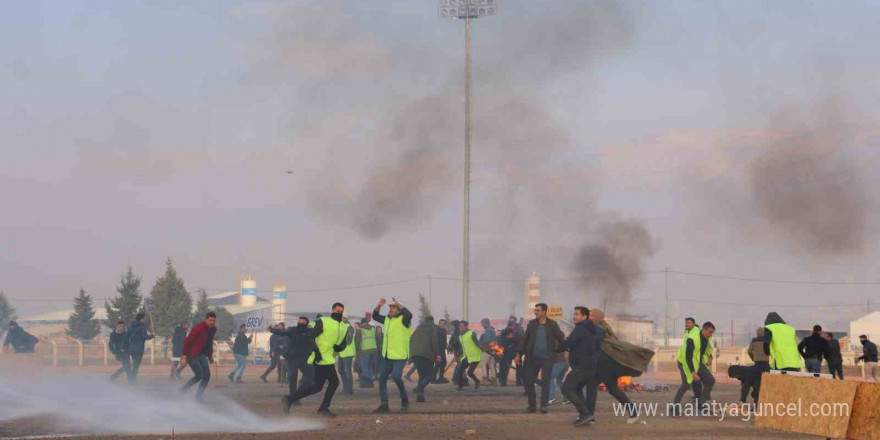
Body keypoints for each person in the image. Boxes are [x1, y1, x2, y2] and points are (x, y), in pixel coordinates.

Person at [282, 303, 348, 417]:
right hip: (320, 359)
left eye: (341, 311)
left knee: (317, 387)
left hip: (328, 359)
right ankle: (322, 408)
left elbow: (343, 342)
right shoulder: (323, 321)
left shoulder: (343, 326)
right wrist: (317, 352)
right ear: (332, 310)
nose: (339, 313)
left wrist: (341, 347)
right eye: (337, 311)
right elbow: (310, 336)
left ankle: (290, 399)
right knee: (333, 382)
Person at [591, 308, 653, 424]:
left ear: (595, 318)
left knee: (592, 386)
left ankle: (588, 416)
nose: (587, 316)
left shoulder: (598, 329)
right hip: (605, 364)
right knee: (612, 389)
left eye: (590, 315)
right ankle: (633, 411)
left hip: (605, 364)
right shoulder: (600, 327)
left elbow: (594, 341)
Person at [516, 303, 565, 414]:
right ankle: (532, 406)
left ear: (544, 312)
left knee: (546, 381)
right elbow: (525, 339)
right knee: (528, 380)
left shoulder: (552, 324)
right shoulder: (532, 324)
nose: (536, 312)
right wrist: (518, 353)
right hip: (533, 358)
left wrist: (560, 349)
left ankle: (543, 406)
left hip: (547, 358)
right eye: (535, 310)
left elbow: (560, 338)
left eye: (538, 310)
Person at [559, 306, 600, 427]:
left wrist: (555, 347)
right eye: (574, 314)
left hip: (582, 365)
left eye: (577, 314)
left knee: (566, 388)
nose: (574, 316)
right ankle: (585, 416)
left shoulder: (581, 329)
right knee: (576, 389)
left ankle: (586, 414)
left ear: (584, 316)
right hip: (590, 365)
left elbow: (569, 343)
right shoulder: (591, 329)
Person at [373, 297, 413, 413]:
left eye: (393, 307)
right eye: (390, 307)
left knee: (396, 377)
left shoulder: (404, 320)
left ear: (399, 310)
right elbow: (375, 316)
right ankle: (384, 404)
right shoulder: (387, 319)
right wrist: (379, 305)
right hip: (388, 355)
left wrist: (399, 304)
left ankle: (404, 399)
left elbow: (409, 315)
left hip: (400, 356)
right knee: (382, 378)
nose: (390, 309)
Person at [271, 316, 315, 407]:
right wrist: (272, 330)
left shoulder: (309, 332)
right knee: (292, 379)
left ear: (306, 324)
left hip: (303, 359)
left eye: (302, 323)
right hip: (291, 358)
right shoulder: (293, 330)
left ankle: (296, 395)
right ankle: (293, 399)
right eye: (299, 322)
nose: (300, 324)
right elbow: (282, 332)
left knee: (310, 377)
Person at [180, 311, 217, 401]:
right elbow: (187, 341)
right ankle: (183, 390)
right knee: (199, 375)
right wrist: (184, 357)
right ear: (206, 319)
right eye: (210, 320)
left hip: (202, 355)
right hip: (191, 354)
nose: (212, 322)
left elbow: (209, 343)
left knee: (207, 375)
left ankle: (198, 396)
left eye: (213, 321)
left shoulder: (213, 329)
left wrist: (210, 355)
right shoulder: (198, 328)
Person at [410, 315, 443, 402]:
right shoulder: (432, 328)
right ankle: (419, 389)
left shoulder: (418, 329)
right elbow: (434, 341)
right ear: (432, 321)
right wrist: (437, 354)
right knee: (431, 375)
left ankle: (419, 396)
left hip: (416, 355)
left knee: (422, 375)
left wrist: (411, 354)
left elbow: (411, 340)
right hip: (426, 355)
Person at [742, 327, 770, 404]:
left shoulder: (754, 340)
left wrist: (753, 358)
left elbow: (749, 351)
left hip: (757, 365)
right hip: (765, 365)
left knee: (756, 385)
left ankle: (755, 403)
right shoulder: (767, 340)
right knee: (764, 386)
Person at [126, 313, 154, 385]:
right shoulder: (142, 326)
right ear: (140, 319)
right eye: (143, 318)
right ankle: (132, 380)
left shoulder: (130, 326)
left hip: (131, 348)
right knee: (135, 366)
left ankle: (131, 380)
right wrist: (152, 335)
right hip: (139, 348)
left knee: (133, 365)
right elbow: (145, 337)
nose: (144, 320)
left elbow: (126, 337)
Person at [456, 321, 483, 391]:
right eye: (460, 326)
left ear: (466, 326)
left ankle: (477, 382)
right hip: (467, 356)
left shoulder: (471, 333)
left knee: (470, 373)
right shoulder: (460, 336)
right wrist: (458, 354)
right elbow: (463, 347)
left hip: (475, 356)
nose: (460, 327)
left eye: (462, 326)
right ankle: (460, 386)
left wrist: (482, 347)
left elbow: (477, 343)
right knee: (460, 371)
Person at [356, 318, 378, 388]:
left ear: (361, 323)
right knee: (370, 367)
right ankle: (370, 383)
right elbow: (377, 338)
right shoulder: (373, 329)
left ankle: (372, 378)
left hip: (365, 351)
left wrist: (357, 351)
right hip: (374, 350)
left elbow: (357, 342)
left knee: (364, 368)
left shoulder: (360, 330)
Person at [336, 317, 356, 395]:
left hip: (348, 353)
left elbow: (349, 340)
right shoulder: (340, 327)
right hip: (341, 353)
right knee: (340, 370)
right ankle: (345, 387)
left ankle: (349, 390)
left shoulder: (349, 327)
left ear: (345, 318)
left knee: (347, 371)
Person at [479, 318, 499, 384]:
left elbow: (487, 341)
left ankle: (485, 379)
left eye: (482, 324)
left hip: (488, 350)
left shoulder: (488, 331)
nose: (482, 325)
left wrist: (481, 344)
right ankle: (494, 379)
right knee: (491, 364)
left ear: (485, 323)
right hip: (493, 350)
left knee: (483, 363)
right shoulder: (492, 330)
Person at [448, 320, 466, 387]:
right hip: (459, 351)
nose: (452, 327)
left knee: (460, 366)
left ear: (455, 325)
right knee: (459, 365)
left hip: (459, 351)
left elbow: (456, 341)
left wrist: (451, 345)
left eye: (452, 325)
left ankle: (461, 380)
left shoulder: (457, 332)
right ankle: (457, 379)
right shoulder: (458, 332)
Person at [432, 318, 449, 384]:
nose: (442, 325)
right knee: (437, 364)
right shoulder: (437, 330)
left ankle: (441, 377)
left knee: (443, 363)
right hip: (437, 350)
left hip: (442, 350)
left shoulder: (444, 330)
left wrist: (446, 346)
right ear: (439, 324)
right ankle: (433, 379)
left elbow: (444, 340)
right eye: (441, 323)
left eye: (443, 324)